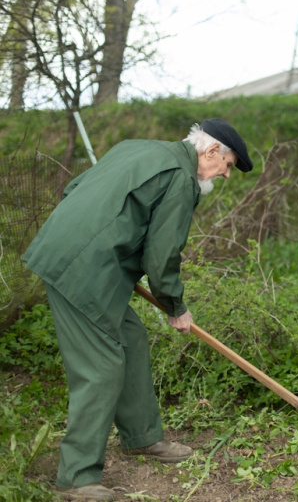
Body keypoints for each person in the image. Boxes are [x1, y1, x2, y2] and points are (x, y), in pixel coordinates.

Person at [23, 118, 253, 501]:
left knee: (130, 337)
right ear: (211, 151)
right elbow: (162, 254)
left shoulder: (137, 146)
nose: (226, 175)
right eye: (227, 165)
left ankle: (141, 438)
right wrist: (175, 306)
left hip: (78, 255)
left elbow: (74, 188)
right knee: (101, 367)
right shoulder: (181, 178)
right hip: (83, 269)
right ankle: (77, 478)